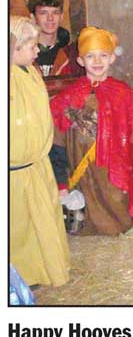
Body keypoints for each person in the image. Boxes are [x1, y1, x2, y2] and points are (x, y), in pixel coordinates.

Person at [49, 27, 133, 235]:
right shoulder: (69, 96)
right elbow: (57, 141)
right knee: (85, 214)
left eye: (103, 56)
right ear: (80, 61)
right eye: (90, 56)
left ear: (112, 58)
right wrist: (61, 183)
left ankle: (115, 219)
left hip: (114, 172)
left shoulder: (123, 94)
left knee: (117, 213)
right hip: (82, 174)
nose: (97, 61)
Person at [10, 15, 70, 287]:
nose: (37, 50)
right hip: (15, 172)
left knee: (43, 221)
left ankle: (44, 268)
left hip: (37, 165)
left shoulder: (30, 71)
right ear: (13, 48)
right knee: (20, 227)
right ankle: (20, 275)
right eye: (32, 46)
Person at [27, 0, 83, 77]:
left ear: (61, 16)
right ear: (33, 18)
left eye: (55, 12)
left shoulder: (72, 54)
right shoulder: (22, 54)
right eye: (43, 13)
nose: (50, 18)